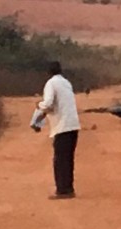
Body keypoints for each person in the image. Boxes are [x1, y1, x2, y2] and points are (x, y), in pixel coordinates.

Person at [36, 61, 81, 200]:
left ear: (48, 72)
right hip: (73, 125)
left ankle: (62, 190)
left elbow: (48, 103)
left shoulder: (51, 83)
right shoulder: (66, 83)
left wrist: (39, 106)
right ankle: (68, 188)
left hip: (62, 126)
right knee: (68, 159)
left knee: (60, 160)